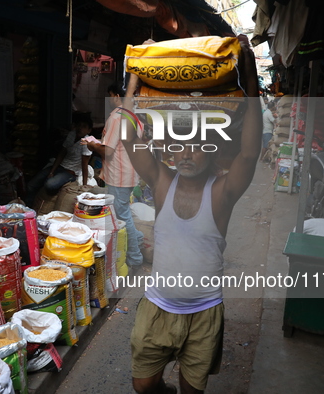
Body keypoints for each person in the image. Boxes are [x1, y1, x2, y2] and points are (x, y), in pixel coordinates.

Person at [120, 38, 262, 394]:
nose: (186, 154)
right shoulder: (161, 181)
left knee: (192, 390)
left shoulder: (223, 192)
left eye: (197, 146)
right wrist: (133, 79)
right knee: (144, 385)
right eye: (179, 145)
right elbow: (128, 138)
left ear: (212, 154)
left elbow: (249, 152)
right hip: (156, 307)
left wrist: (249, 73)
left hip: (204, 313)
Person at [83, 82, 144, 270]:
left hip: (119, 174)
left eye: (110, 95)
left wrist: (91, 145)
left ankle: (135, 257)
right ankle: (138, 241)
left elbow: (108, 152)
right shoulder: (135, 117)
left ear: (117, 96)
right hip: (129, 171)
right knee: (123, 212)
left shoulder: (116, 118)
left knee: (122, 214)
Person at [25, 118, 93, 206]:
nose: (80, 128)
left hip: (70, 172)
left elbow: (84, 164)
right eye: (79, 125)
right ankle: (28, 207)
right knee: (31, 185)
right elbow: (62, 153)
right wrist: (52, 171)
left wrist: (84, 185)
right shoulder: (72, 134)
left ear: (89, 130)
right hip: (60, 167)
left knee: (49, 184)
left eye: (84, 127)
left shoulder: (87, 142)